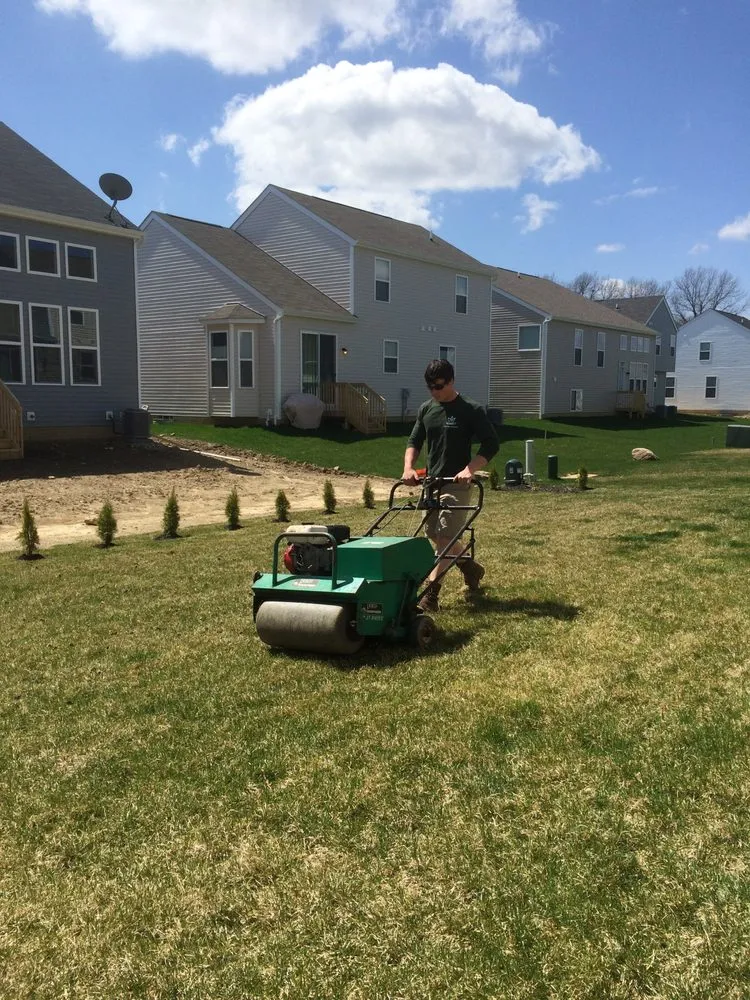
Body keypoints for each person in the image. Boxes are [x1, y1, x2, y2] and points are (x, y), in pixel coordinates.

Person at [402, 359, 499, 613]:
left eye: (439, 386)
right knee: (434, 535)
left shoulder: (470, 409)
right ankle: (469, 567)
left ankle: (430, 595)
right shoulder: (426, 409)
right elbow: (414, 440)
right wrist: (408, 468)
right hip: (432, 483)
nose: (435, 391)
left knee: (445, 538)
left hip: (457, 484)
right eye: (430, 387)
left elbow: (491, 444)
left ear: (452, 381)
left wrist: (469, 469)